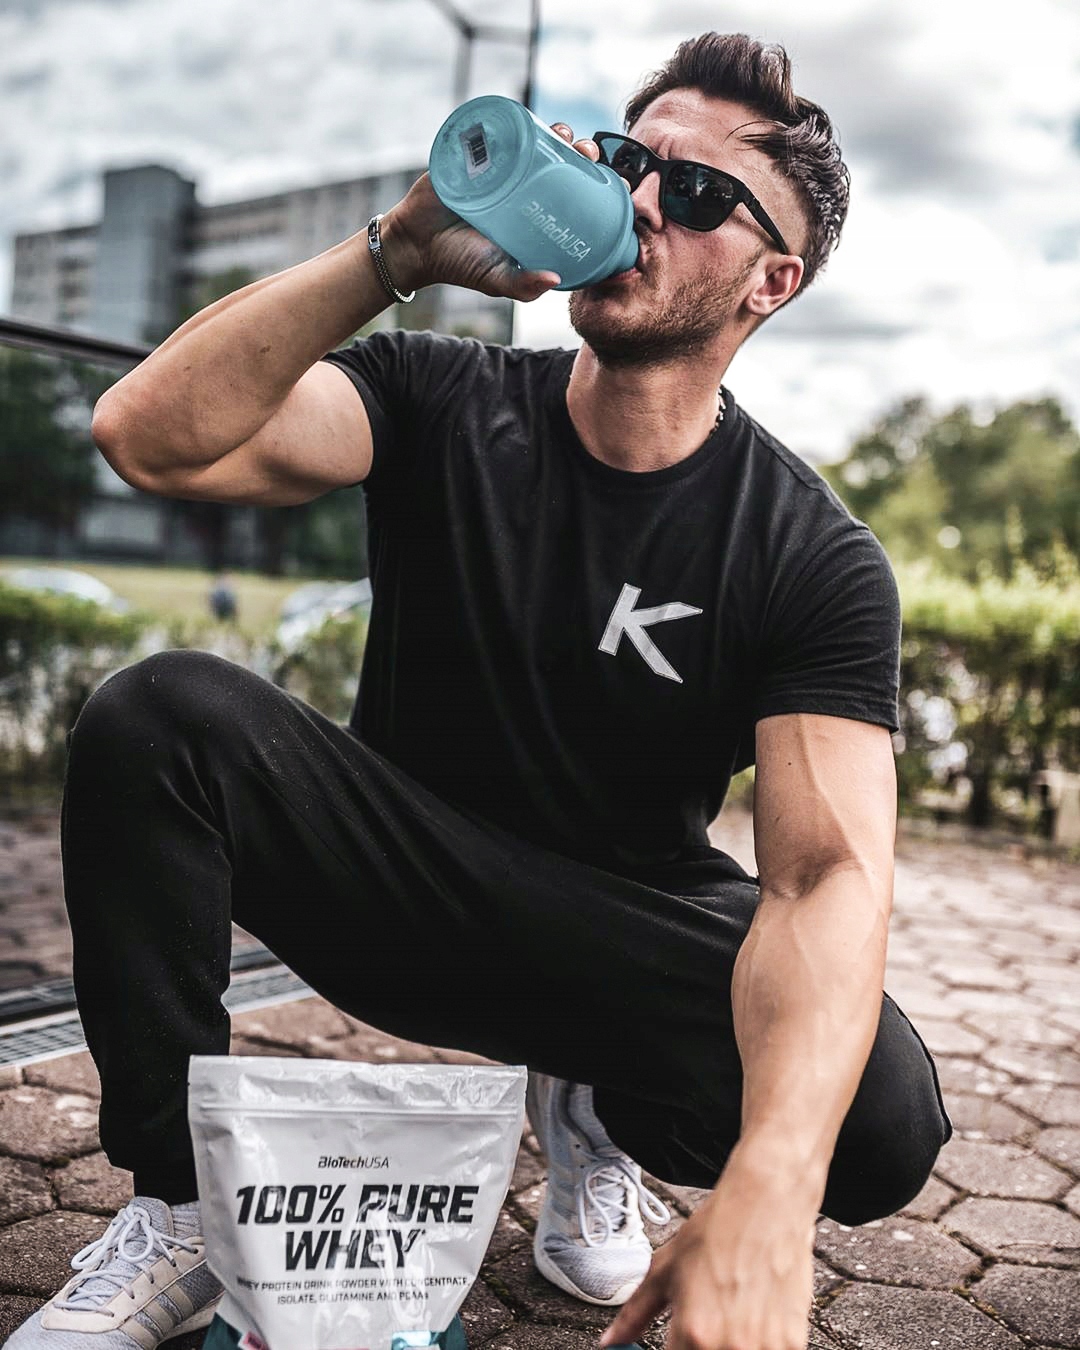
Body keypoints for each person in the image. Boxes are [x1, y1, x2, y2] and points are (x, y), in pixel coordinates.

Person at [9, 32, 951, 1350]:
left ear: (771, 280)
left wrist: (771, 1190)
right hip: (396, 878)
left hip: (612, 931)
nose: (638, 201)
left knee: (882, 1110)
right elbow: (145, 436)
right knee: (158, 715)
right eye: (623, 161)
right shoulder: (440, 391)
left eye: (695, 193)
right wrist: (393, 252)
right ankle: (180, 1210)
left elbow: (826, 879)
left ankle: (600, 1114)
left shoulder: (810, 552)